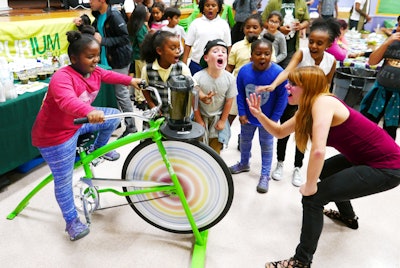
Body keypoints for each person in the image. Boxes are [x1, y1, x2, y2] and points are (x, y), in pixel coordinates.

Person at [247, 65, 400, 268]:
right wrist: (259, 115)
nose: (286, 87)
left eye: (293, 84)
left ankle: (301, 262)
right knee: (326, 170)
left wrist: (309, 185)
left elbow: (318, 151)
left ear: (308, 87)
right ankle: (348, 217)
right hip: (368, 159)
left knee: (313, 199)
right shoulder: (309, 108)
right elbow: (280, 131)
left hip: (387, 167)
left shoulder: (323, 103)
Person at [31, 27, 144, 241]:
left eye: (97, 56)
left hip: (76, 124)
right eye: (89, 56)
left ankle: (98, 150)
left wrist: (132, 81)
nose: (95, 61)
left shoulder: (94, 71)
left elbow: (109, 74)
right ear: (73, 58)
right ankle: (71, 221)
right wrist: (89, 111)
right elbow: (67, 101)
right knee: (63, 181)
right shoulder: (61, 78)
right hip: (55, 137)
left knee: (114, 116)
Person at [258, 18, 338, 187]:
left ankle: (297, 167)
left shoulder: (331, 61)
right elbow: (288, 71)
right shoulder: (302, 53)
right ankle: (279, 163)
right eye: (311, 41)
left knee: (303, 136)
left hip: (311, 106)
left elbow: (327, 85)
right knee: (284, 131)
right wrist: (273, 86)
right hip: (293, 100)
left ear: (328, 45)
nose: (314, 46)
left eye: (319, 43)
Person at [229, 37, 288, 194]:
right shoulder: (244, 71)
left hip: (268, 119)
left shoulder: (279, 74)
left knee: (267, 146)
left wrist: (273, 119)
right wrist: (241, 113)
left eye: (267, 53)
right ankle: (243, 163)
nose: (263, 57)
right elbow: (240, 93)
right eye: (258, 53)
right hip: (248, 117)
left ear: (272, 55)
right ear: (251, 56)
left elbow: (282, 99)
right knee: (245, 141)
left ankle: (265, 174)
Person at [74, 0, 137, 139]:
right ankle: (115, 123)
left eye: (92, 0)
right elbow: (95, 33)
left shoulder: (114, 15)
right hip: (106, 62)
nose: (89, 2)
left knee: (121, 93)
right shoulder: (98, 15)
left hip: (118, 61)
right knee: (112, 94)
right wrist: (82, 24)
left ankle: (131, 126)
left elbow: (125, 38)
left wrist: (104, 41)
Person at [193, 39, 237, 154]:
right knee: (199, 149)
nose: (220, 53)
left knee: (214, 151)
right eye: (216, 51)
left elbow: (229, 101)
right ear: (206, 58)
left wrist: (223, 120)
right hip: (201, 117)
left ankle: (212, 171)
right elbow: (194, 100)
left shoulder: (230, 79)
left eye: (224, 52)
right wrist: (198, 119)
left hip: (218, 118)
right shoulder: (198, 77)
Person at [360, 16, 400, 140]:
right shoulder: (391, 42)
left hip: (397, 97)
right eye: (399, 25)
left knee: (389, 131)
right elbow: (372, 61)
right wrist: (386, 43)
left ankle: (385, 156)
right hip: (379, 91)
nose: (399, 29)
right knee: (366, 125)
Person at [140, 31, 192, 117]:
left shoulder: (182, 68)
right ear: (159, 51)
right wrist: (152, 105)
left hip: (175, 115)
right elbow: (144, 89)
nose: (177, 51)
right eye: (173, 48)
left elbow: (193, 86)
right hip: (155, 114)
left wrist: (201, 96)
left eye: (179, 48)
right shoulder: (147, 69)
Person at [182, 0, 232, 75]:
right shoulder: (196, 23)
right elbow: (188, 45)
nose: (210, 8)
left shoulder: (223, 24)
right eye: (207, 5)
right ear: (203, 8)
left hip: (217, 65)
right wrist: (184, 63)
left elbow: (228, 46)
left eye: (213, 5)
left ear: (218, 8)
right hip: (197, 64)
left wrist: (228, 65)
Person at [261, 0, 310, 68]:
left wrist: (301, 26)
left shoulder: (301, 2)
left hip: (291, 47)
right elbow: (263, 20)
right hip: (272, 47)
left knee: (286, 73)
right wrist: (279, 28)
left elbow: (307, 20)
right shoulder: (273, 2)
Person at [127, 3, 149, 110]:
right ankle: (140, 99)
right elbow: (142, 43)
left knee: (138, 76)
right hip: (141, 56)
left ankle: (138, 97)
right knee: (142, 77)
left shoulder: (134, 25)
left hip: (136, 56)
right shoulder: (141, 28)